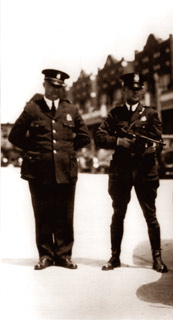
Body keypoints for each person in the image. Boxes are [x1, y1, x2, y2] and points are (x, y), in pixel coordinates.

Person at [8, 69, 90, 270]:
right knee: (43, 213)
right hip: (38, 170)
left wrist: (65, 151)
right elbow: (14, 136)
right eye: (52, 86)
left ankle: (63, 255)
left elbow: (84, 137)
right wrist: (35, 150)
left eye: (59, 87)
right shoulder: (32, 109)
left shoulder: (71, 110)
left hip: (65, 169)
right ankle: (45, 255)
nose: (55, 90)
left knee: (65, 213)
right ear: (44, 85)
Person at [95, 72, 167, 273]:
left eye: (138, 89)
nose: (135, 92)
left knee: (150, 216)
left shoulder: (151, 114)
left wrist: (149, 148)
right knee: (118, 214)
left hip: (144, 170)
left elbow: (158, 142)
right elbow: (99, 136)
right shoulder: (115, 114)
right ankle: (114, 257)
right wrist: (119, 141)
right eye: (131, 89)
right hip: (122, 172)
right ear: (124, 90)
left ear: (142, 90)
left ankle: (157, 258)